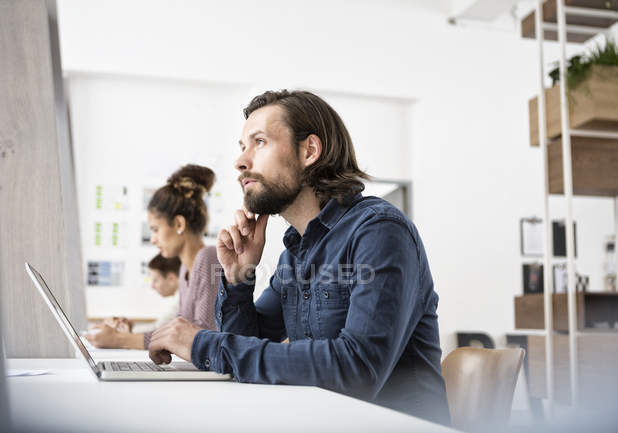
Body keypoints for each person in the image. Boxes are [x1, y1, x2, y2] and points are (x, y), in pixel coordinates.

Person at [147, 90, 450, 425]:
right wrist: (237, 278)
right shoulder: (296, 253)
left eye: (259, 142)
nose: (241, 161)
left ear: (309, 151)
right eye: (242, 147)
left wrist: (205, 346)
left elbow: (358, 369)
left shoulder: (379, 231)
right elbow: (252, 344)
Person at [87, 165, 220, 350]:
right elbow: (174, 332)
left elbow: (201, 337)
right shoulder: (184, 270)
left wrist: (120, 340)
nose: (153, 239)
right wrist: (127, 334)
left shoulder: (208, 258)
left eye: (156, 229)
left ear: (179, 224)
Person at [98, 254, 182, 336]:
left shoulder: (181, 299)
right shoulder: (179, 296)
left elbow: (157, 330)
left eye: (155, 280)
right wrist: (129, 328)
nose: (152, 286)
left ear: (171, 279)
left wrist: (124, 329)